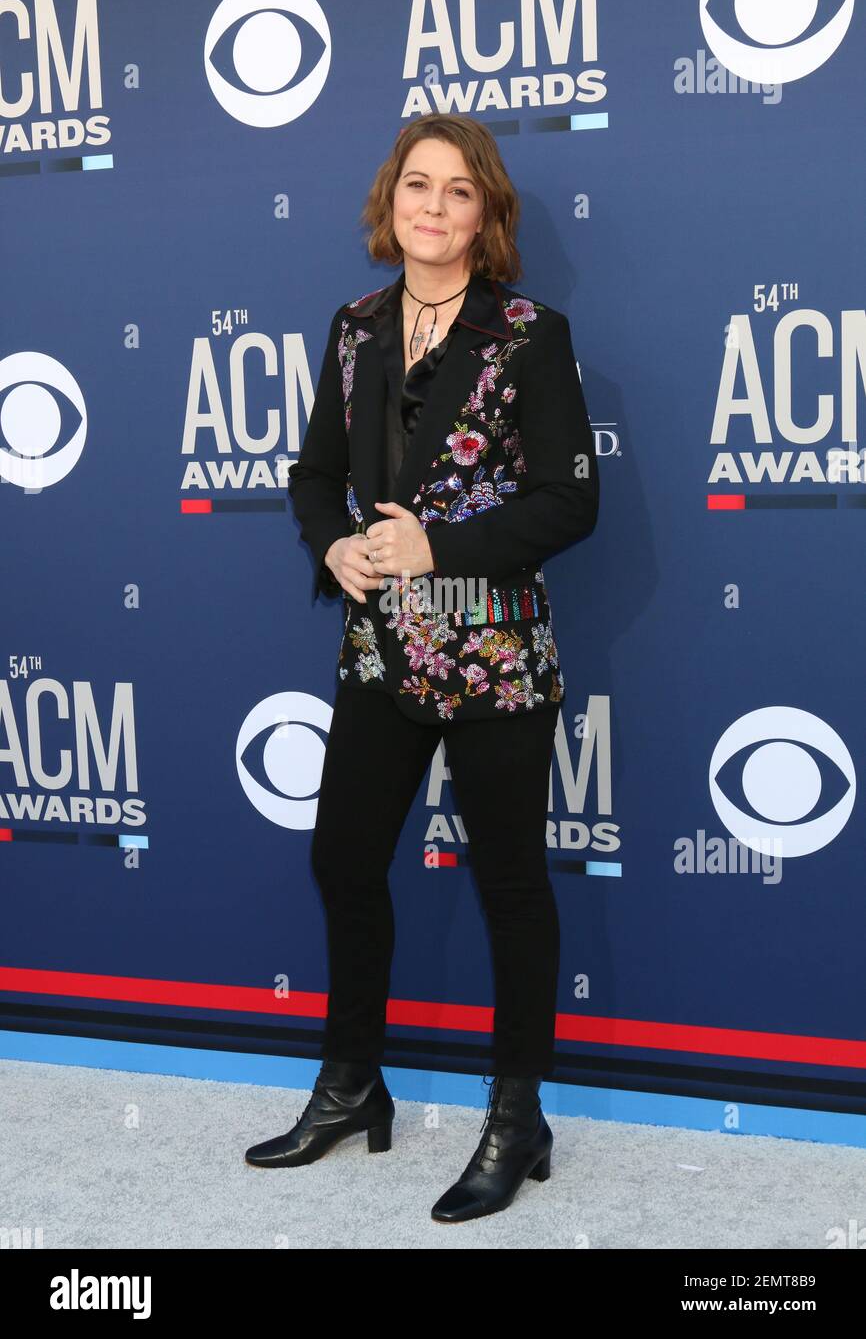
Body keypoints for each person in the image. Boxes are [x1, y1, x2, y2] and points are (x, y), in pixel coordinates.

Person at [245, 114, 600, 1224]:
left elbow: (569, 500)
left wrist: (436, 546)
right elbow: (312, 473)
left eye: (457, 192)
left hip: (492, 654)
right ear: (387, 203)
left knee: (507, 885)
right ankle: (351, 1083)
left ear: (484, 215)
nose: (433, 208)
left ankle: (516, 1115)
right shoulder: (352, 329)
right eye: (416, 186)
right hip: (381, 652)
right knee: (343, 859)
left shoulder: (530, 336)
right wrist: (335, 544)